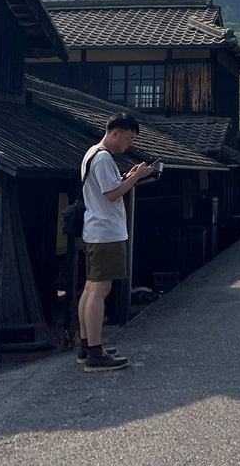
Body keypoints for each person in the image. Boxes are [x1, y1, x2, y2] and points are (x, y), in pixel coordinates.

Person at [77, 113, 154, 372]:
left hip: (94, 230)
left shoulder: (91, 153)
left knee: (90, 289)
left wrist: (125, 177)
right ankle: (95, 354)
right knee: (100, 292)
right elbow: (111, 195)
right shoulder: (104, 158)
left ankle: (87, 346)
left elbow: (108, 189)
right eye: (130, 139)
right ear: (116, 133)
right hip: (106, 233)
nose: (130, 145)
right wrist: (137, 177)